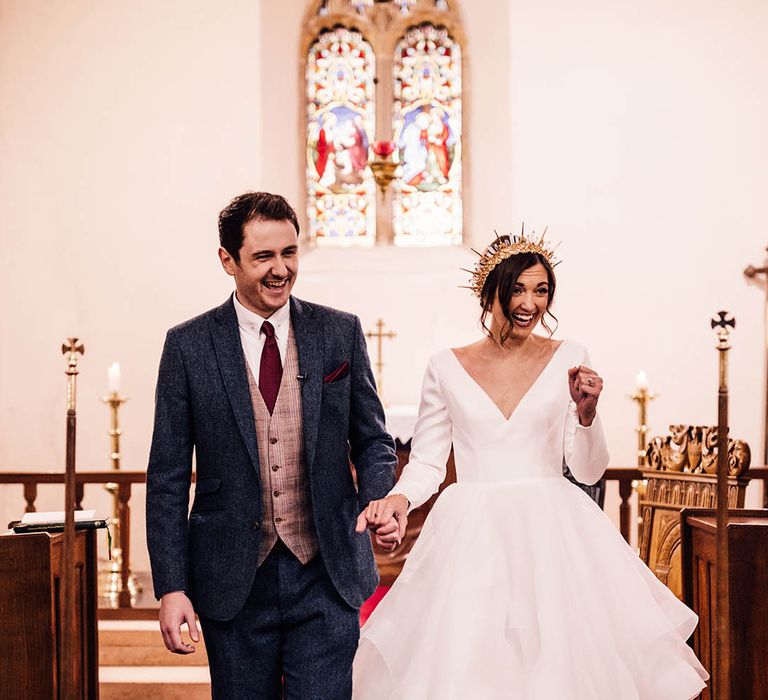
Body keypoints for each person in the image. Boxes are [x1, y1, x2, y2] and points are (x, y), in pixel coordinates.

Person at [353, 232, 709, 699]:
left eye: (541, 290)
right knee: (470, 663)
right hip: (471, 535)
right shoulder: (446, 366)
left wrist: (587, 414)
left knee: (560, 665)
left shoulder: (570, 356)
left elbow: (586, 469)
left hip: (554, 533)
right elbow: (427, 464)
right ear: (490, 290)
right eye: (518, 288)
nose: (530, 303)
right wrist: (398, 497)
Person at [146, 191, 398, 699]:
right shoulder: (188, 346)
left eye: (289, 252)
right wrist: (172, 586)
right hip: (231, 581)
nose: (280, 269)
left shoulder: (339, 331)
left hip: (326, 573)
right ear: (228, 260)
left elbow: (372, 439)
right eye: (263, 256)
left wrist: (379, 498)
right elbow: (168, 479)